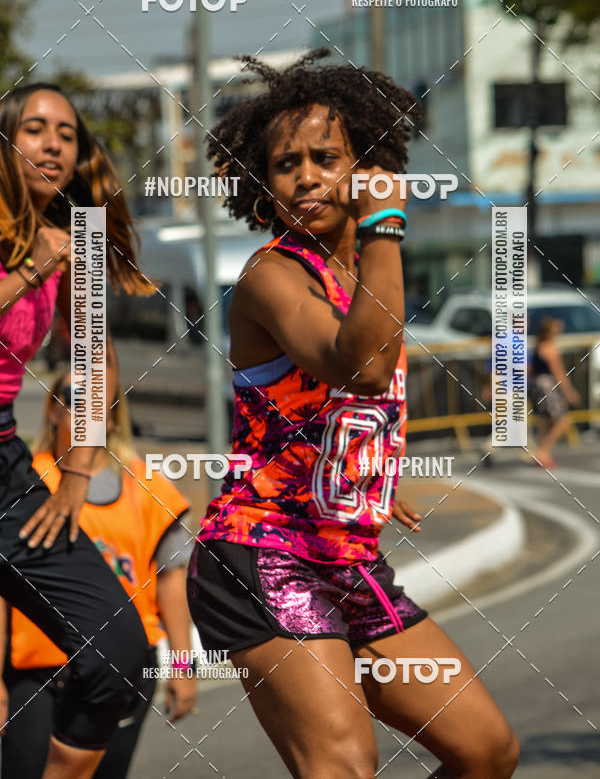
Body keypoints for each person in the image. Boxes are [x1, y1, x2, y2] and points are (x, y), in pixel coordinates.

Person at [187, 50, 520, 779]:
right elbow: (362, 366)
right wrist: (386, 224)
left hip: (347, 558)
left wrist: (358, 476)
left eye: (326, 157)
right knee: (343, 765)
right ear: (262, 184)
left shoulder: (363, 271)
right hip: (261, 555)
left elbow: (342, 406)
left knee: (486, 752)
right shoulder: (271, 277)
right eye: (285, 164)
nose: (306, 176)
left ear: (366, 160)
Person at [0, 83, 156, 779]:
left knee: (119, 649)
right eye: (35, 128)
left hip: (4, 463)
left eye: (67, 132)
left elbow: (95, 356)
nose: (55, 143)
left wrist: (77, 469)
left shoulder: (74, 239)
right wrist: (35, 264)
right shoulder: (41, 248)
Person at [0, 370, 196, 778]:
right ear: (52, 410)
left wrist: (182, 666)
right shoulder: (23, 482)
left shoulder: (147, 486)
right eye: (72, 400)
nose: (84, 412)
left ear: (110, 417)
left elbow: (171, 580)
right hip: (38, 671)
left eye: (97, 404)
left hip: (122, 666)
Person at [530, 316, 580, 468]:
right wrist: (570, 392)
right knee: (563, 420)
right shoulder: (549, 348)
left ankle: (542, 454)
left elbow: (531, 370)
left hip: (537, 385)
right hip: (547, 386)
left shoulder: (538, 346)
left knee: (545, 422)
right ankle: (542, 452)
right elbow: (559, 373)